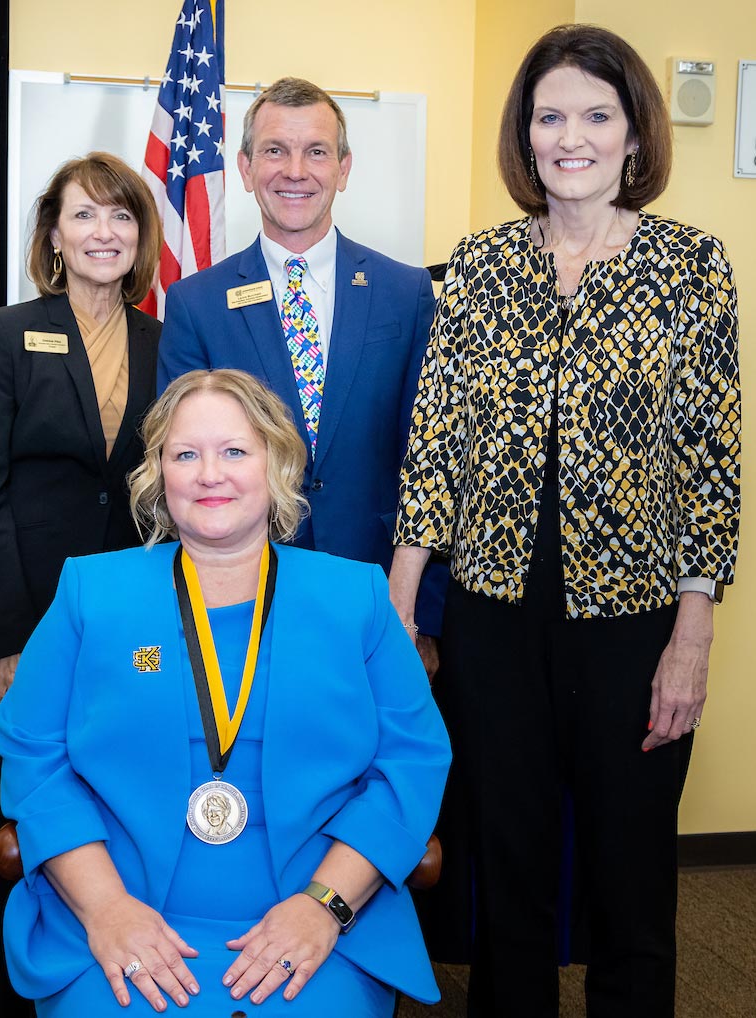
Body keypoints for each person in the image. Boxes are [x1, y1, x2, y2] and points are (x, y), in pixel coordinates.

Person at [390, 24, 741, 1018]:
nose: (569, 137)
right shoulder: (480, 264)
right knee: (506, 861)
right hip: (494, 615)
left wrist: (692, 633)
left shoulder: (689, 268)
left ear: (632, 137)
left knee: (631, 871)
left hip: (635, 620)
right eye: (549, 116)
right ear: (525, 134)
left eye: (595, 115)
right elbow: (435, 444)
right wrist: (402, 602)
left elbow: (710, 461)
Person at [0, 369, 451, 1016]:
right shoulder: (90, 593)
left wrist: (324, 908)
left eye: (234, 450)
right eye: (185, 454)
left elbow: (412, 762)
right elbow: (35, 758)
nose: (210, 473)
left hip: (317, 915)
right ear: (158, 472)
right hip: (123, 911)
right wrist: (105, 909)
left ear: (276, 462)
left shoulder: (357, 598)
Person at [0, 151, 164, 1018]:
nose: (103, 232)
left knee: (121, 811)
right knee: (31, 822)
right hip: (27, 617)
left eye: (120, 217)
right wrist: (10, 641)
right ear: (53, 234)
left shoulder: (165, 337)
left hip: (132, 619)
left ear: (141, 236)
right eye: (84, 216)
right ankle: (12, 998)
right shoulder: (6, 333)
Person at [157, 77, 447, 672]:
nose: (295, 170)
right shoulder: (196, 304)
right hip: (236, 601)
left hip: (378, 597)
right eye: (274, 150)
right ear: (243, 167)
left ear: (343, 168)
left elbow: (431, 454)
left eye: (316, 151)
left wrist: (424, 613)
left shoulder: (406, 292)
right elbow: (182, 463)